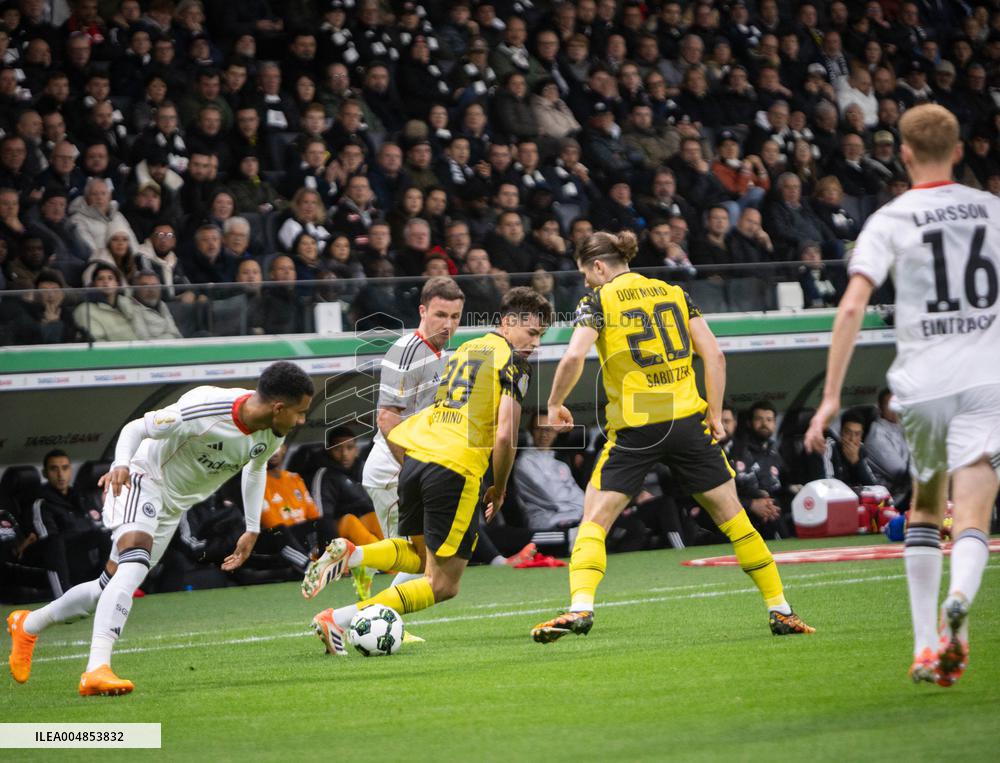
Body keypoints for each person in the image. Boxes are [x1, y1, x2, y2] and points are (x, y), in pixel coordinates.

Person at [530, 230, 814, 643]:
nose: (586, 283)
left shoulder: (598, 299)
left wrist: (555, 404)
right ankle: (780, 608)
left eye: (585, 275)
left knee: (594, 519)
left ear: (597, 267)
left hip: (637, 425)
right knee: (735, 519)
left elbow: (573, 355)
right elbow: (713, 354)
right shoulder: (675, 293)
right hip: (686, 419)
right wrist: (715, 414)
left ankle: (581, 607)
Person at [806, 104, 1000, 686]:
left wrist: (831, 396)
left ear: (905, 154)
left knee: (923, 506)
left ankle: (922, 645)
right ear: (960, 150)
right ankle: (958, 606)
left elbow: (851, 305)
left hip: (923, 383)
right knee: (973, 514)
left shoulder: (891, 217)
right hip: (986, 377)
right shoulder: (993, 211)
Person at [7, 361, 314, 694]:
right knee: (134, 567)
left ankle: (28, 624)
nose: (302, 420)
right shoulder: (206, 407)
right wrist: (122, 464)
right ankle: (97, 669)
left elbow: (254, 471)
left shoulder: (271, 432)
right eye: (300, 412)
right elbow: (135, 429)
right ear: (278, 407)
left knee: (106, 586)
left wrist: (252, 528)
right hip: (142, 480)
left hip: (173, 507)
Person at [304, 288, 552, 655]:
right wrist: (498, 488)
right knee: (443, 584)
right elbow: (504, 435)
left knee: (420, 556)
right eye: (531, 333)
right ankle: (339, 619)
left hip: (417, 457)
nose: (535, 344)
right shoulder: (514, 364)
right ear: (507, 323)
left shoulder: (468, 348)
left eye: (541, 336)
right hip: (454, 467)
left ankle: (356, 555)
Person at [358, 277, 464, 612]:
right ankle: (368, 605)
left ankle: (363, 566)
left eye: (455, 317)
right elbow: (387, 418)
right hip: (392, 470)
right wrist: (414, 472)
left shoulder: (441, 353)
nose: (448, 324)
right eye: (440, 315)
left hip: (411, 467)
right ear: (422, 311)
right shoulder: (406, 351)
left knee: (421, 559)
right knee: (420, 560)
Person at [259, 443, 320, 575]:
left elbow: (313, 514)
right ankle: (310, 568)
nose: (273, 452)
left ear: (284, 448)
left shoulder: (294, 478)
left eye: (277, 445)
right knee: (279, 532)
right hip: (272, 538)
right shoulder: (257, 481)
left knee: (323, 522)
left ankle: (333, 562)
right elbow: (271, 523)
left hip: (297, 532)